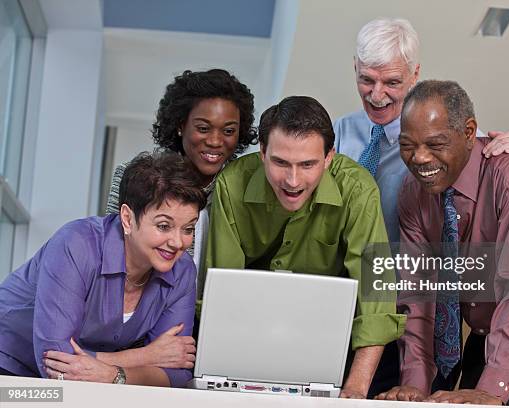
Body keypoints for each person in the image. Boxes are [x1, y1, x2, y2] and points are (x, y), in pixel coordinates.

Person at [333, 17, 509, 396]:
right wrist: (414, 387)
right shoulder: (348, 140)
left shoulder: (486, 158)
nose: (377, 95)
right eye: (366, 80)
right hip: (395, 313)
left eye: (391, 82)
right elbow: (416, 289)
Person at [377, 80, 509, 406]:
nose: (419, 158)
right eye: (407, 145)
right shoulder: (413, 194)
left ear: (469, 132)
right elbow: (417, 297)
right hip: (484, 338)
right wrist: (414, 384)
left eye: (435, 143)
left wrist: (492, 388)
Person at [206, 95, 405, 399]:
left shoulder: (359, 190)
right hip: (248, 333)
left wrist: (355, 389)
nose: (293, 180)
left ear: (329, 158)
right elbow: (222, 295)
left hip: (331, 340)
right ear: (262, 153)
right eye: (281, 162)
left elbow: (375, 297)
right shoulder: (231, 185)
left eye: (308, 164)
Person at [0, 152, 208, 387]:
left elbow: (177, 374)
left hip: (89, 382)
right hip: (9, 369)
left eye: (188, 229)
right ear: (128, 219)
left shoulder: (181, 271)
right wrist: (144, 356)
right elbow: (55, 362)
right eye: (163, 226)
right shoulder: (76, 244)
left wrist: (113, 374)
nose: (178, 242)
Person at [106, 68, 258, 293]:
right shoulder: (134, 177)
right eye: (203, 128)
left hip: (218, 310)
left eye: (228, 131)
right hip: (149, 309)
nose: (215, 141)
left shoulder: (243, 189)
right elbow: (114, 250)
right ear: (180, 125)